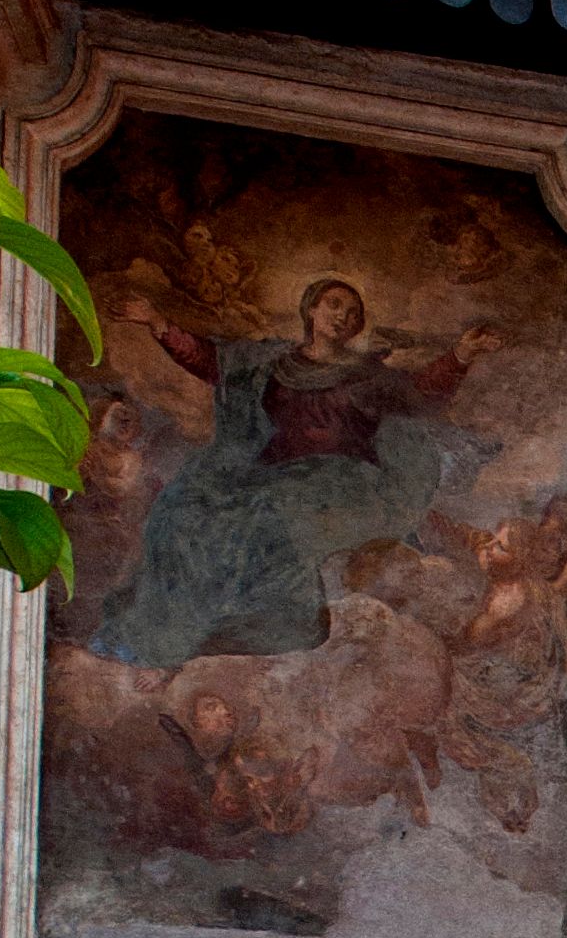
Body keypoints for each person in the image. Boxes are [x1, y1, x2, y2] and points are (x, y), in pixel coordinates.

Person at [92, 277, 500, 670]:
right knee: (181, 512)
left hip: (339, 481)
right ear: (311, 309)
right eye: (334, 304)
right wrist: (157, 323)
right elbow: (212, 361)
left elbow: (420, 391)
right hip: (269, 474)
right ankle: (169, 628)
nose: (342, 316)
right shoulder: (268, 363)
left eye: (353, 312)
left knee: (262, 518)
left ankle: (271, 626)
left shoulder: (366, 375)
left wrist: (461, 354)